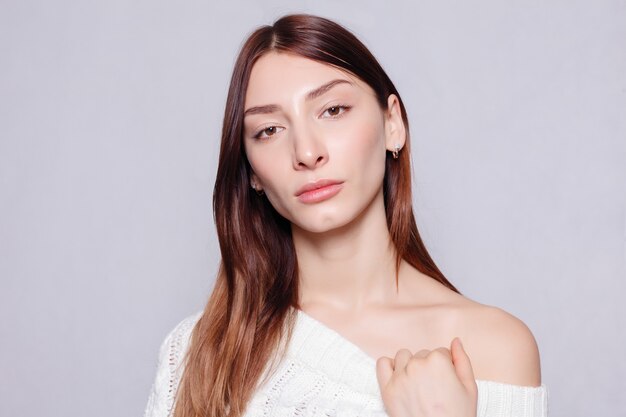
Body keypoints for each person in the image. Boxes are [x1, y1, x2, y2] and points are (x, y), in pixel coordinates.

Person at [143, 13, 548, 417]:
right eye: (269, 130)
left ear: (393, 124)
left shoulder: (495, 348)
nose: (306, 152)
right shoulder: (199, 352)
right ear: (252, 173)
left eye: (333, 110)